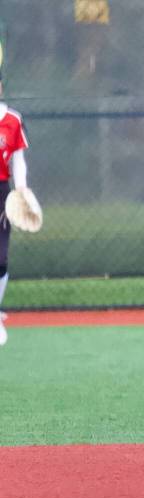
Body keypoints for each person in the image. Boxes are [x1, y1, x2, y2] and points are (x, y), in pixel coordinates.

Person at [0, 67, 31, 346]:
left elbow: (18, 160)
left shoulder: (12, 120)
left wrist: (21, 189)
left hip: (2, 193)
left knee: (1, 257)